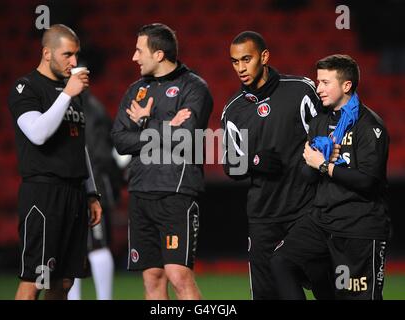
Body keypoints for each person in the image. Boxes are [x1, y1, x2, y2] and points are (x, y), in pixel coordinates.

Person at [221, 31, 333, 299]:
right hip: (263, 218)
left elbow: (329, 136)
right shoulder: (233, 111)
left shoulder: (301, 91)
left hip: (305, 212)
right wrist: (255, 161)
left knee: (327, 289)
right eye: (235, 62)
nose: (240, 68)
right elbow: (230, 166)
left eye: (246, 59)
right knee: (266, 294)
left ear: (265, 57)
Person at [271, 54, 390, 300]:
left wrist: (324, 165)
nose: (318, 88)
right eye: (318, 82)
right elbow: (307, 176)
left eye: (325, 82)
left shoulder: (369, 125)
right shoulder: (318, 123)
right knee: (282, 262)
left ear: (346, 85)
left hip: (359, 227)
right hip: (322, 221)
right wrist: (312, 163)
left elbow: (369, 182)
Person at [111, 23, 213, 300]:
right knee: (152, 278)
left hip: (176, 192)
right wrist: (163, 126)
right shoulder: (136, 90)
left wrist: (143, 124)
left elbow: (185, 138)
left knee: (179, 276)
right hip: (140, 192)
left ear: (158, 54)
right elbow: (119, 139)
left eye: (138, 50)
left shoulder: (194, 87)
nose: (134, 57)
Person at [7, 24, 102, 300]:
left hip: (74, 194)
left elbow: (79, 146)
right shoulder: (26, 87)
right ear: (47, 53)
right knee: (36, 280)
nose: (74, 62)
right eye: (67, 55)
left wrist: (91, 192)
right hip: (43, 194)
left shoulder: (72, 93)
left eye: (77, 55)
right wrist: (67, 95)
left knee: (63, 283)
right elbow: (38, 134)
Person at [68, 91, 123, 300]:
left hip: (90, 187)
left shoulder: (88, 109)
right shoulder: (91, 107)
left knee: (94, 246)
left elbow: (98, 154)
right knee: (83, 248)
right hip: (85, 185)